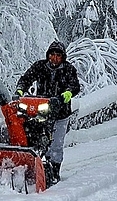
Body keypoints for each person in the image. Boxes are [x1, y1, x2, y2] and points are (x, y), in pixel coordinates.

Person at [15, 41, 81, 183]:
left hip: (60, 113)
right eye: (52, 54)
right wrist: (20, 90)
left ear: (62, 57)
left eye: (58, 55)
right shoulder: (40, 67)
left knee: (56, 144)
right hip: (40, 110)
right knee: (31, 136)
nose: (54, 58)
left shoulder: (68, 69)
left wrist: (64, 96)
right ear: (48, 55)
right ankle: (30, 164)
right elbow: (26, 78)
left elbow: (74, 86)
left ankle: (54, 171)